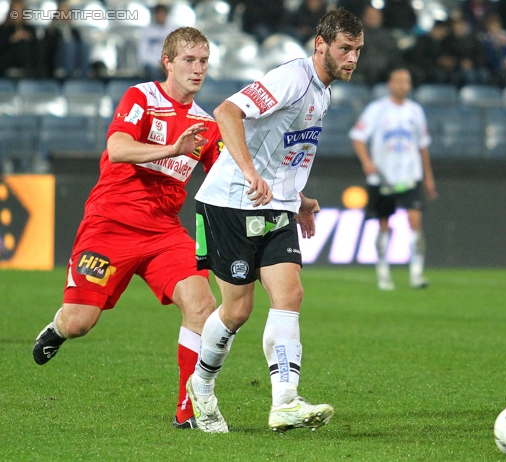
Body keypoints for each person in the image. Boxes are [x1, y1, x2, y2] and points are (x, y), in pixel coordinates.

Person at [32, 27, 223, 430]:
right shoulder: (143, 97)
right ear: (167, 62)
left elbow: (229, 173)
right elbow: (117, 148)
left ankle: (186, 410)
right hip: (109, 225)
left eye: (204, 61)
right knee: (80, 322)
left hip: (163, 232)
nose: (198, 69)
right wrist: (171, 149)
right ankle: (58, 326)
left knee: (203, 306)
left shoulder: (207, 125)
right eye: (189, 60)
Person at [186, 8, 364, 433]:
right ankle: (202, 387)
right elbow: (227, 112)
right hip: (230, 202)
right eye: (345, 49)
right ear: (320, 45)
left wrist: (297, 198)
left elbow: (284, 151)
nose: (353, 58)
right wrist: (249, 172)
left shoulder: (323, 90)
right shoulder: (293, 77)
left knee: (291, 294)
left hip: (276, 206)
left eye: (357, 50)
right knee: (237, 310)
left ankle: (285, 401)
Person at [349, 67, 437, 290]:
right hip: (383, 177)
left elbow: (423, 146)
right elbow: (358, 137)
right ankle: (383, 273)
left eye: (406, 81)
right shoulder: (377, 109)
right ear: (390, 84)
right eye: (398, 81)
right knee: (384, 225)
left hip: (410, 175)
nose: (402, 85)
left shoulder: (416, 111)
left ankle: (416, 274)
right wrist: (367, 162)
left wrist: (428, 176)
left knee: (415, 221)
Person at [42, 2, 90, 79]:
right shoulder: (52, 30)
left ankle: (83, 75)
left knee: (84, 46)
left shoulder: (74, 30)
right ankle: (68, 75)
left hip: (74, 57)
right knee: (69, 46)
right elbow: (48, 46)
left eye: (67, 12)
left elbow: (80, 43)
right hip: (57, 58)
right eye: (63, 12)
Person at [0, 0, 40, 78]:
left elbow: (36, 50)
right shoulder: (3, 30)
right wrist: (12, 39)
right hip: (6, 67)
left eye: (20, 10)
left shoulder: (30, 30)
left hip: (28, 69)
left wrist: (25, 37)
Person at [137, 5, 174, 81]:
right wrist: (159, 64)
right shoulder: (147, 31)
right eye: (159, 14)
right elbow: (143, 54)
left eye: (163, 14)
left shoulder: (172, 31)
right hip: (152, 66)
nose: (161, 17)